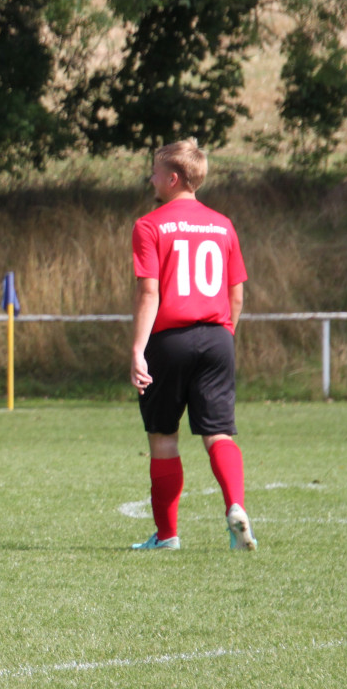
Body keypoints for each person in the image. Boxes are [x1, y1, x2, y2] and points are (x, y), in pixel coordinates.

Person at [129, 138, 257, 551]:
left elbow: (150, 294)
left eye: (154, 171)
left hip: (169, 341)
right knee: (219, 433)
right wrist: (224, 336)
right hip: (218, 338)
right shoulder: (223, 224)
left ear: (172, 178)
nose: (150, 177)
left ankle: (167, 537)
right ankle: (235, 506)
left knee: (164, 437)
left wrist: (137, 349)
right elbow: (236, 294)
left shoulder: (149, 225)